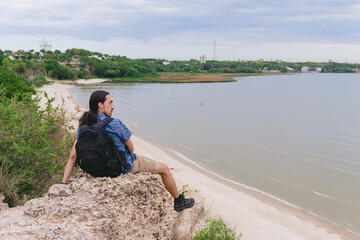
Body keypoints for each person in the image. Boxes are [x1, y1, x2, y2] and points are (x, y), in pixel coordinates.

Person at [52, 90, 195, 212]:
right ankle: (179, 201)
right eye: (110, 103)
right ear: (100, 105)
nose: (113, 107)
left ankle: (178, 200)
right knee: (164, 168)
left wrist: (64, 183)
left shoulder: (84, 125)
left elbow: (72, 157)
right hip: (122, 166)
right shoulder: (115, 123)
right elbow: (131, 148)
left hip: (94, 170)